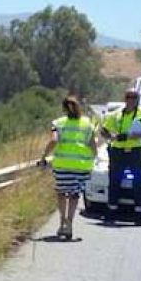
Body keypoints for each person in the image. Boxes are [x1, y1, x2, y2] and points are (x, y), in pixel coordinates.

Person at [39, 95, 97, 239]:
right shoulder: (87, 124)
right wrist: (94, 158)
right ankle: (69, 223)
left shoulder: (58, 123)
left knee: (61, 193)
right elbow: (92, 144)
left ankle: (62, 222)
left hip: (63, 165)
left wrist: (43, 157)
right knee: (74, 195)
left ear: (64, 108)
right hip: (82, 165)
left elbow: (53, 141)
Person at [100, 88, 141, 225]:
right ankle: (111, 212)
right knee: (114, 182)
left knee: (138, 182)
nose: (131, 100)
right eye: (128, 97)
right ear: (124, 99)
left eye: (134, 97)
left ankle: (139, 215)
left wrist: (136, 135)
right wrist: (111, 136)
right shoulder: (116, 114)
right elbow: (104, 130)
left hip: (135, 151)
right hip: (118, 152)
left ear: (138, 99)